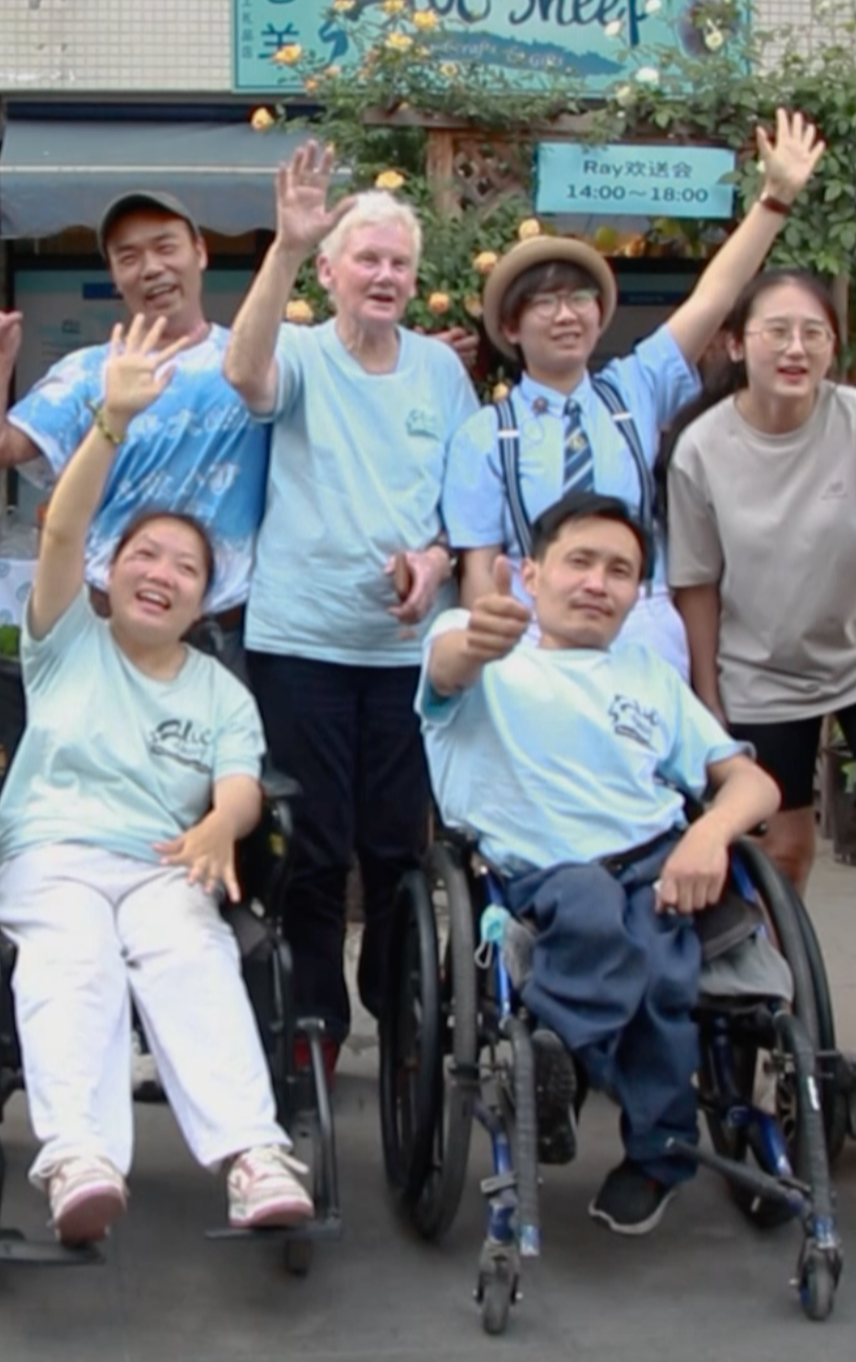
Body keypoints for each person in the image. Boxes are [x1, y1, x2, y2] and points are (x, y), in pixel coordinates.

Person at [0, 314, 314, 1246]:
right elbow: (60, 529)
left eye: (185, 566)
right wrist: (111, 422)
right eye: (144, 556)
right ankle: (79, 1157)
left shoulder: (218, 688)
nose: (161, 574)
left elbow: (241, 781)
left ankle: (252, 1156)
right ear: (111, 570)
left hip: (165, 861)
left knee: (193, 955)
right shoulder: (66, 641)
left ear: (205, 596)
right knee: (75, 960)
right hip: (52, 856)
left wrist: (219, 825)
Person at [419, 491, 780, 1235]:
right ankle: (568, 1070)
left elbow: (753, 783)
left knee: (665, 967)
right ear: (530, 572)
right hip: (540, 872)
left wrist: (709, 834)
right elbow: (447, 668)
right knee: (591, 911)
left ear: (637, 591)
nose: (597, 582)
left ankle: (646, 1146)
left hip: (654, 860)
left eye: (620, 570)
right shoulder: (477, 640)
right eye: (578, 561)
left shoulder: (649, 674)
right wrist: (480, 639)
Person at [222, 142, 481, 1068]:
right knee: (314, 847)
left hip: (408, 653)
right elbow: (242, 374)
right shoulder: (297, 353)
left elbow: (463, 503)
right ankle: (316, 1026)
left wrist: (435, 557)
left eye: (398, 263)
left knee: (398, 848)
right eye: (365, 258)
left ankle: (397, 1003)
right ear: (329, 273)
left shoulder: (441, 373)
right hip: (302, 642)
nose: (383, 275)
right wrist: (285, 245)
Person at [446, 110, 824, 681]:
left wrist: (774, 201)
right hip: (535, 640)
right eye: (545, 302)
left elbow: (712, 298)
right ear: (511, 327)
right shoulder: (483, 436)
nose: (567, 314)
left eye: (580, 299)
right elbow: (479, 568)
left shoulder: (635, 387)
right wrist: (489, 669)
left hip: (641, 629)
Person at [660, 267, 856, 895]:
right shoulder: (702, 448)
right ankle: (777, 961)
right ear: (736, 344)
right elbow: (697, 583)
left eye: (813, 334)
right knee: (783, 852)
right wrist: (708, 700)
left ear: (832, 347)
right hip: (761, 672)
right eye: (777, 332)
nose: (796, 349)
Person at [0, 192, 269, 676]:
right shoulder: (88, 373)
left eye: (165, 247)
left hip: (231, 631)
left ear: (200, 252)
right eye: (129, 257)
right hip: (111, 626)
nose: (151, 268)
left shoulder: (252, 367)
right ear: (115, 278)